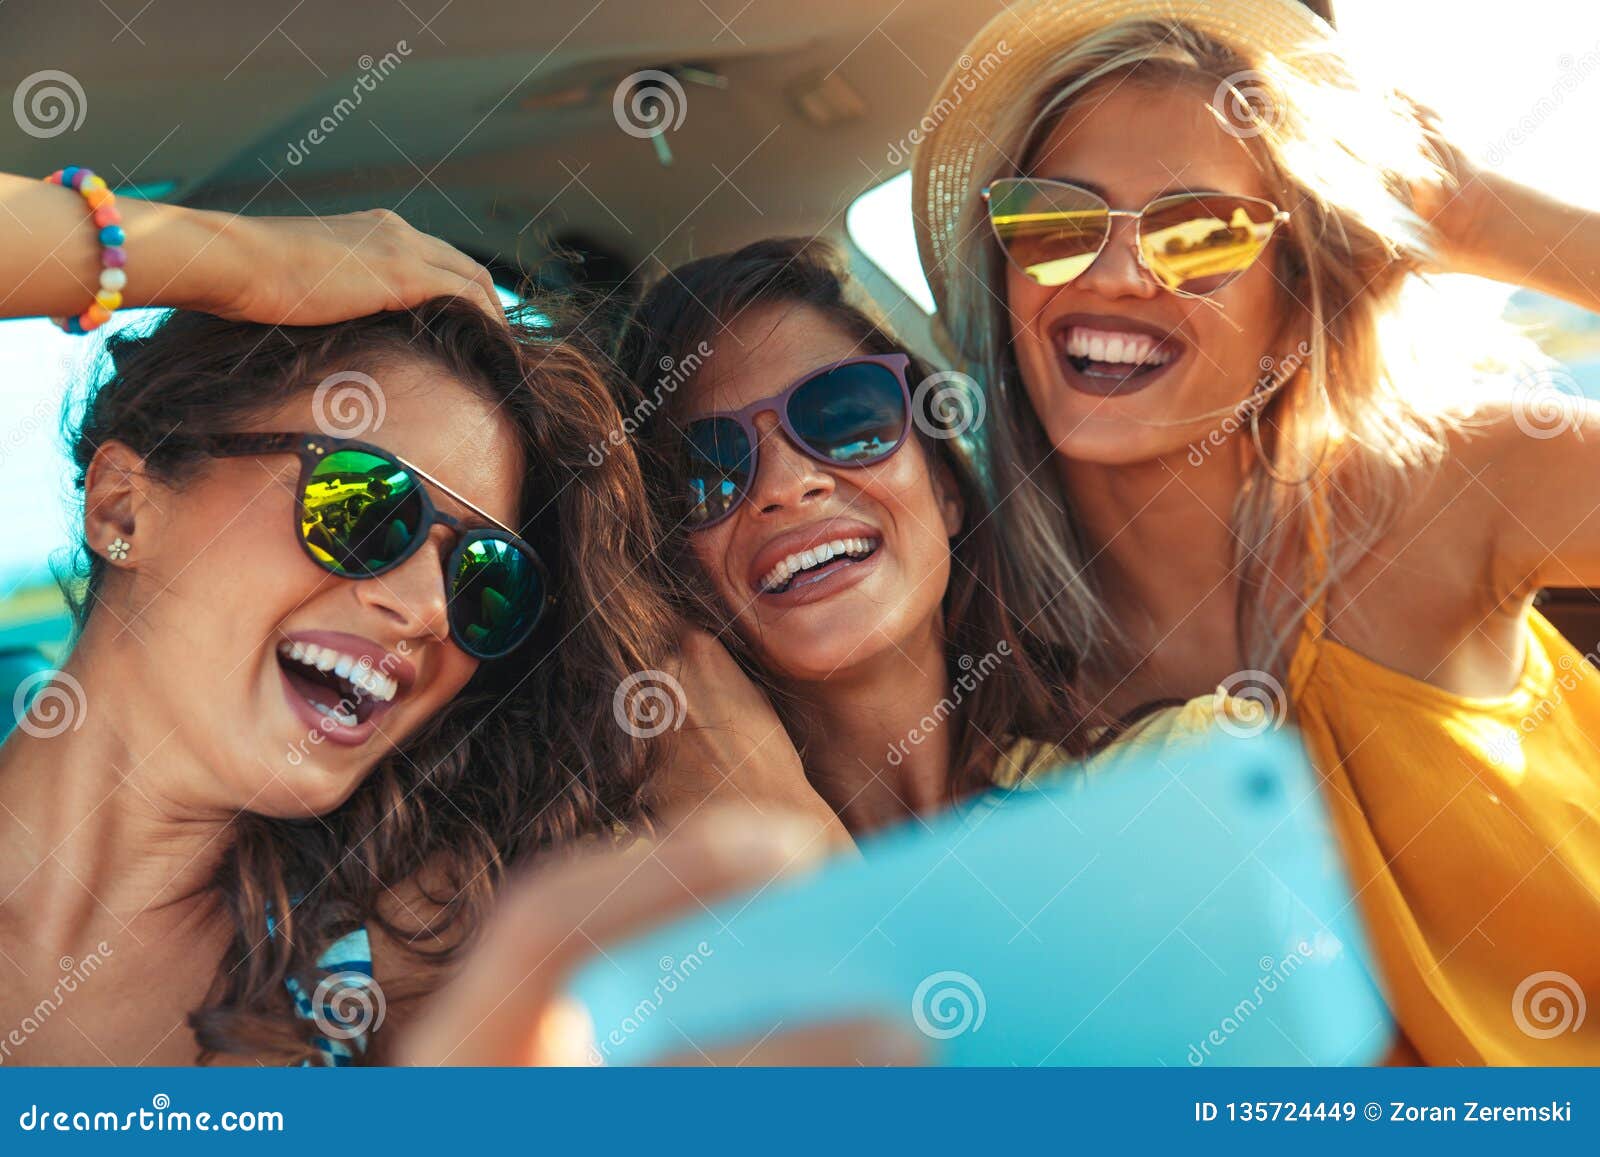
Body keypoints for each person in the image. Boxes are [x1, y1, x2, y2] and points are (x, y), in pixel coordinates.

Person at [909, 0, 1600, 1063]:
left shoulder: (1446, 484)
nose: (1114, 272)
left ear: (1296, 290)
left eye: (1198, 232)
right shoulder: (984, 664)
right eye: (1054, 223)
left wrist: (1473, 215)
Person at [613, 238, 1223, 844]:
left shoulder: (1182, 776)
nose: (789, 484)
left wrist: (810, 863)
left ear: (947, 489)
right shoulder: (654, 904)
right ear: (671, 570)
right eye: (708, 470)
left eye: (846, 419)